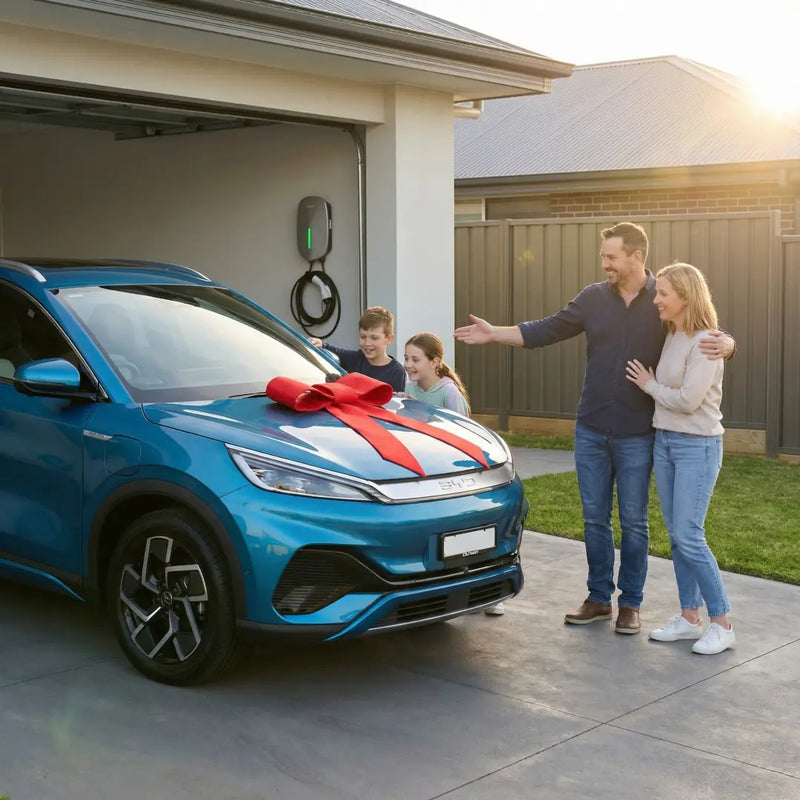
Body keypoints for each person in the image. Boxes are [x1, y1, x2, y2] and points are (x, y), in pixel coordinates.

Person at [454, 222, 735, 635]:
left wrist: (728, 342)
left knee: (635, 522)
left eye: (611, 257)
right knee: (593, 519)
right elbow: (546, 329)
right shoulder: (593, 298)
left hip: (639, 432)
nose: (604, 263)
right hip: (591, 428)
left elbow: (701, 330)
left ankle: (631, 604)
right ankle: (599, 597)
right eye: (604, 256)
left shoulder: (663, 300)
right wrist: (495, 333)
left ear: (636, 256)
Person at [626, 263, 734, 654]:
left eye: (664, 294)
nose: (656, 299)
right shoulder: (673, 334)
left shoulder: (706, 342)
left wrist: (650, 385)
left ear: (686, 297)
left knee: (689, 535)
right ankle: (691, 618)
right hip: (666, 442)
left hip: (697, 446)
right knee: (677, 536)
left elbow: (689, 401)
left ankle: (722, 623)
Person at [404, 332, 505, 617]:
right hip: (425, 474)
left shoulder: (448, 392)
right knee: (440, 542)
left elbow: (465, 437)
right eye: (406, 358)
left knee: (469, 538)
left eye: (415, 359)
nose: (409, 365)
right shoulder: (409, 387)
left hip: (454, 473)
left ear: (435, 362)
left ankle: (490, 592)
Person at [309, 306, 406, 392]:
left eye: (374, 338)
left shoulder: (397, 371)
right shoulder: (354, 358)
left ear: (389, 339)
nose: (367, 343)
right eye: (363, 337)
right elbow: (332, 351)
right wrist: (321, 344)